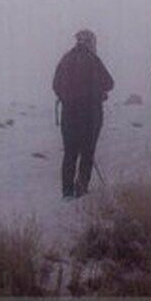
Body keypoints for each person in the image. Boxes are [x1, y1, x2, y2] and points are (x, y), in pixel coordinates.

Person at [52, 30, 114, 199]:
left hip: (69, 114)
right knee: (87, 152)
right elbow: (109, 83)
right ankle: (82, 189)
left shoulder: (66, 59)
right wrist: (97, 93)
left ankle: (67, 192)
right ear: (90, 42)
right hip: (90, 114)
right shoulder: (93, 60)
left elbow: (56, 85)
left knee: (70, 153)